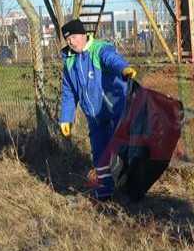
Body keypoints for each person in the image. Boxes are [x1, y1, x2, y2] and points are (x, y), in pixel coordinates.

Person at [58, 19, 137, 200]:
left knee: (121, 152)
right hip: (94, 119)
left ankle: (131, 191)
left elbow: (112, 59)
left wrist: (123, 68)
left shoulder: (99, 49)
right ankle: (104, 193)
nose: (71, 42)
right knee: (100, 155)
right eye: (68, 39)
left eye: (74, 37)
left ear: (84, 35)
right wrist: (66, 117)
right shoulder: (69, 62)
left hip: (115, 113)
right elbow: (69, 92)